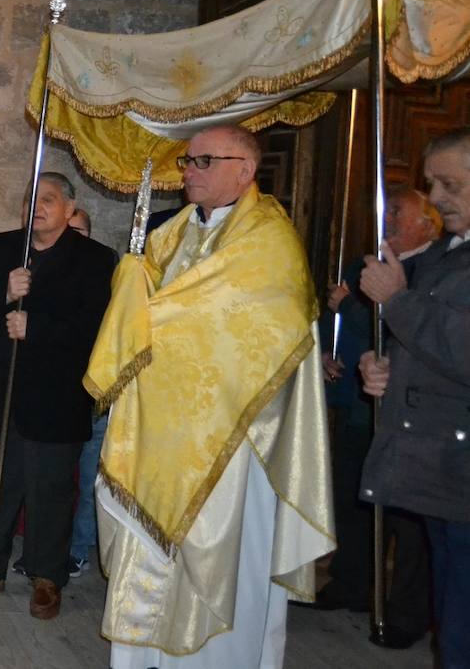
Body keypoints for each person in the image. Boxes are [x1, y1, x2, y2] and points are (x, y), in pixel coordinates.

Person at [86, 123, 333, 667]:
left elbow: (260, 329)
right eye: (187, 163)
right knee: (149, 556)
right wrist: (129, 287)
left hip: (230, 435)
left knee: (217, 557)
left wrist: (152, 313)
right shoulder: (170, 233)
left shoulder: (269, 241)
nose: (188, 172)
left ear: (245, 171)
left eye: (202, 162)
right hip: (155, 431)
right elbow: (141, 314)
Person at [0, 171, 116, 620]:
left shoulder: (95, 259)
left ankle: (47, 577)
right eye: (32, 199)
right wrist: (4, 290)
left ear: (70, 209)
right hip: (7, 390)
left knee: (50, 491)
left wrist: (38, 328)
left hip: (58, 396)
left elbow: (98, 328)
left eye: (49, 199)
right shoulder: (3, 247)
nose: (38, 207)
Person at [358, 126, 470, 669]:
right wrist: (385, 368)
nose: (439, 197)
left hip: (460, 463)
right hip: (442, 469)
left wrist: (397, 304)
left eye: (452, 184)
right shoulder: (452, 252)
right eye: (433, 184)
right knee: (450, 621)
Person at [311, 187, 438, 648]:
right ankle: (348, 584)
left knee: (405, 521)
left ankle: (406, 612)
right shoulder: (363, 266)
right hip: (355, 404)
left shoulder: (433, 269)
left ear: (428, 224)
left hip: (404, 416)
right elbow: (333, 318)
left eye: (398, 213)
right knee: (352, 499)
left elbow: (397, 332)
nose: (388, 220)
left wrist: (347, 307)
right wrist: (328, 349)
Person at [66, 206, 109, 581]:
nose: (72, 237)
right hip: (57, 394)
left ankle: (77, 550)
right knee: (57, 478)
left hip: (94, 393)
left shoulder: (104, 275)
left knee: (87, 476)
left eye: (79, 231)